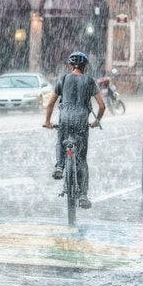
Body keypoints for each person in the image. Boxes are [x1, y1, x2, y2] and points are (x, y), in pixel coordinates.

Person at [44, 51, 105, 209]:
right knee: (81, 160)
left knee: (60, 140)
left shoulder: (63, 79)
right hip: (81, 122)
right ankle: (83, 195)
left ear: (70, 66)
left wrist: (47, 121)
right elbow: (102, 105)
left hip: (65, 119)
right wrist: (96, 121)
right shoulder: (90, 81)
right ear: (85, 67)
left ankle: (59, 166)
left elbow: (50, 103)